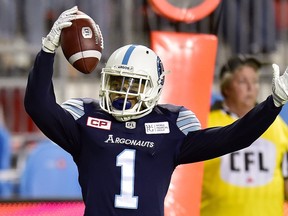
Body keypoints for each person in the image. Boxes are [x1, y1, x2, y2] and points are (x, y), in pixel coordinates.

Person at [24, 6, 288, 216]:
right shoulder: (86, 121)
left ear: (155, 87)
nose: (123, 91)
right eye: (117, 82)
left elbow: (235, 136)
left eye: (133, 84)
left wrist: (272, 103)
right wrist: (47, 51)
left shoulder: (172, 127)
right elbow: (38, 105)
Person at [200, 56, 288, 216]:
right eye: (242, 81)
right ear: (226, 88)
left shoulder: (278, 126)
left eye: (255, 81)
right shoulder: (206, 123)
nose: (251, 87)